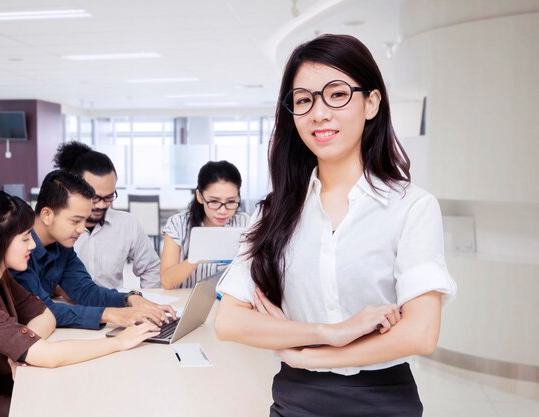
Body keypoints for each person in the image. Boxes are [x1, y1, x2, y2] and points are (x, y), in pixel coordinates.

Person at [214, 34, 457, 417]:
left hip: (382, 401)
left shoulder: (412, 207)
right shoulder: (275, 212)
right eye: (303, 100)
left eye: (337, 94)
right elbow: (229, 321)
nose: (319, 113)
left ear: (371, 102)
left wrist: (313, 357)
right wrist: (330, 333)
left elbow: (420, 333)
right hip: (296, 401)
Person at [0, 190, 159, 417]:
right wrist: (119, 342)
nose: (32, 244)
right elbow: (48, 355)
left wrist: (20, 349)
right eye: (24, 238)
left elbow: (46, 315)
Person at [11, 169, 175, 330]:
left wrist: (130, 299)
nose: (82, 229)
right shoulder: (16, 249)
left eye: (84, 220)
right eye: (75, 221)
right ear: (47, 215)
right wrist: (111, 314)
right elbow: (41, 310)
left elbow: (85, 291)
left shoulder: (62, 245)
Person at [53, 141, 161, 289]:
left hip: (113, 308)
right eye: (95, 197)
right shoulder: (55, 226)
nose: (102, 205)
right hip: (65, 308)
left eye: (109, 197)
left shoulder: (127, 224)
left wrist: (146, 302)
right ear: (74, 189)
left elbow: (151, 268)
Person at [160, 160, 249, 289]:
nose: (222, 211)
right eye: (214, 201)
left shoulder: (245, 223)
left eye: (231, 201)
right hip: (186, 300)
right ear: (200, 196)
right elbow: (166, 281)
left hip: (228, 302)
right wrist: (198, 255)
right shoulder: (178, 224)